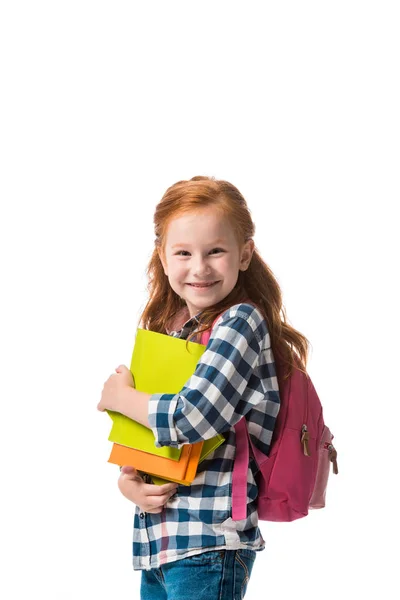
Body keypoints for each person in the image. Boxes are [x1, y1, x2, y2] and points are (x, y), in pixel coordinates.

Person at [97, 175, 310, 600]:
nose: (199, 267)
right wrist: (129, 482)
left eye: (216, 251)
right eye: (183, 252)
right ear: (162, 256)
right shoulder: (173, 332)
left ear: (244, 254)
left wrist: (124, 398)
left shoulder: (240, 323)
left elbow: (192, 417)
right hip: (161, 543)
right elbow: (148, 441)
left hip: (210, 543)